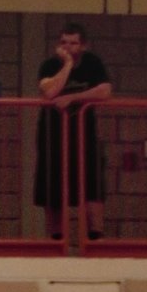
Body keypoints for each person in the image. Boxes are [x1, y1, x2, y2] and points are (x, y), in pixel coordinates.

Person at [33, 23, 112, 243]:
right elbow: (50, 92)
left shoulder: (93, 63)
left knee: (92, 184)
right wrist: (67, 64)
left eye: (73, 43)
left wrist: (73, 98)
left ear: (83, 45)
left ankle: (95, 237)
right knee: (52, 186)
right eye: (64, 42)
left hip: (84, 135)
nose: (68, 47)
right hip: (52, 136)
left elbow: (105, 91)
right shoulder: (49, 65)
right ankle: (57, 239)